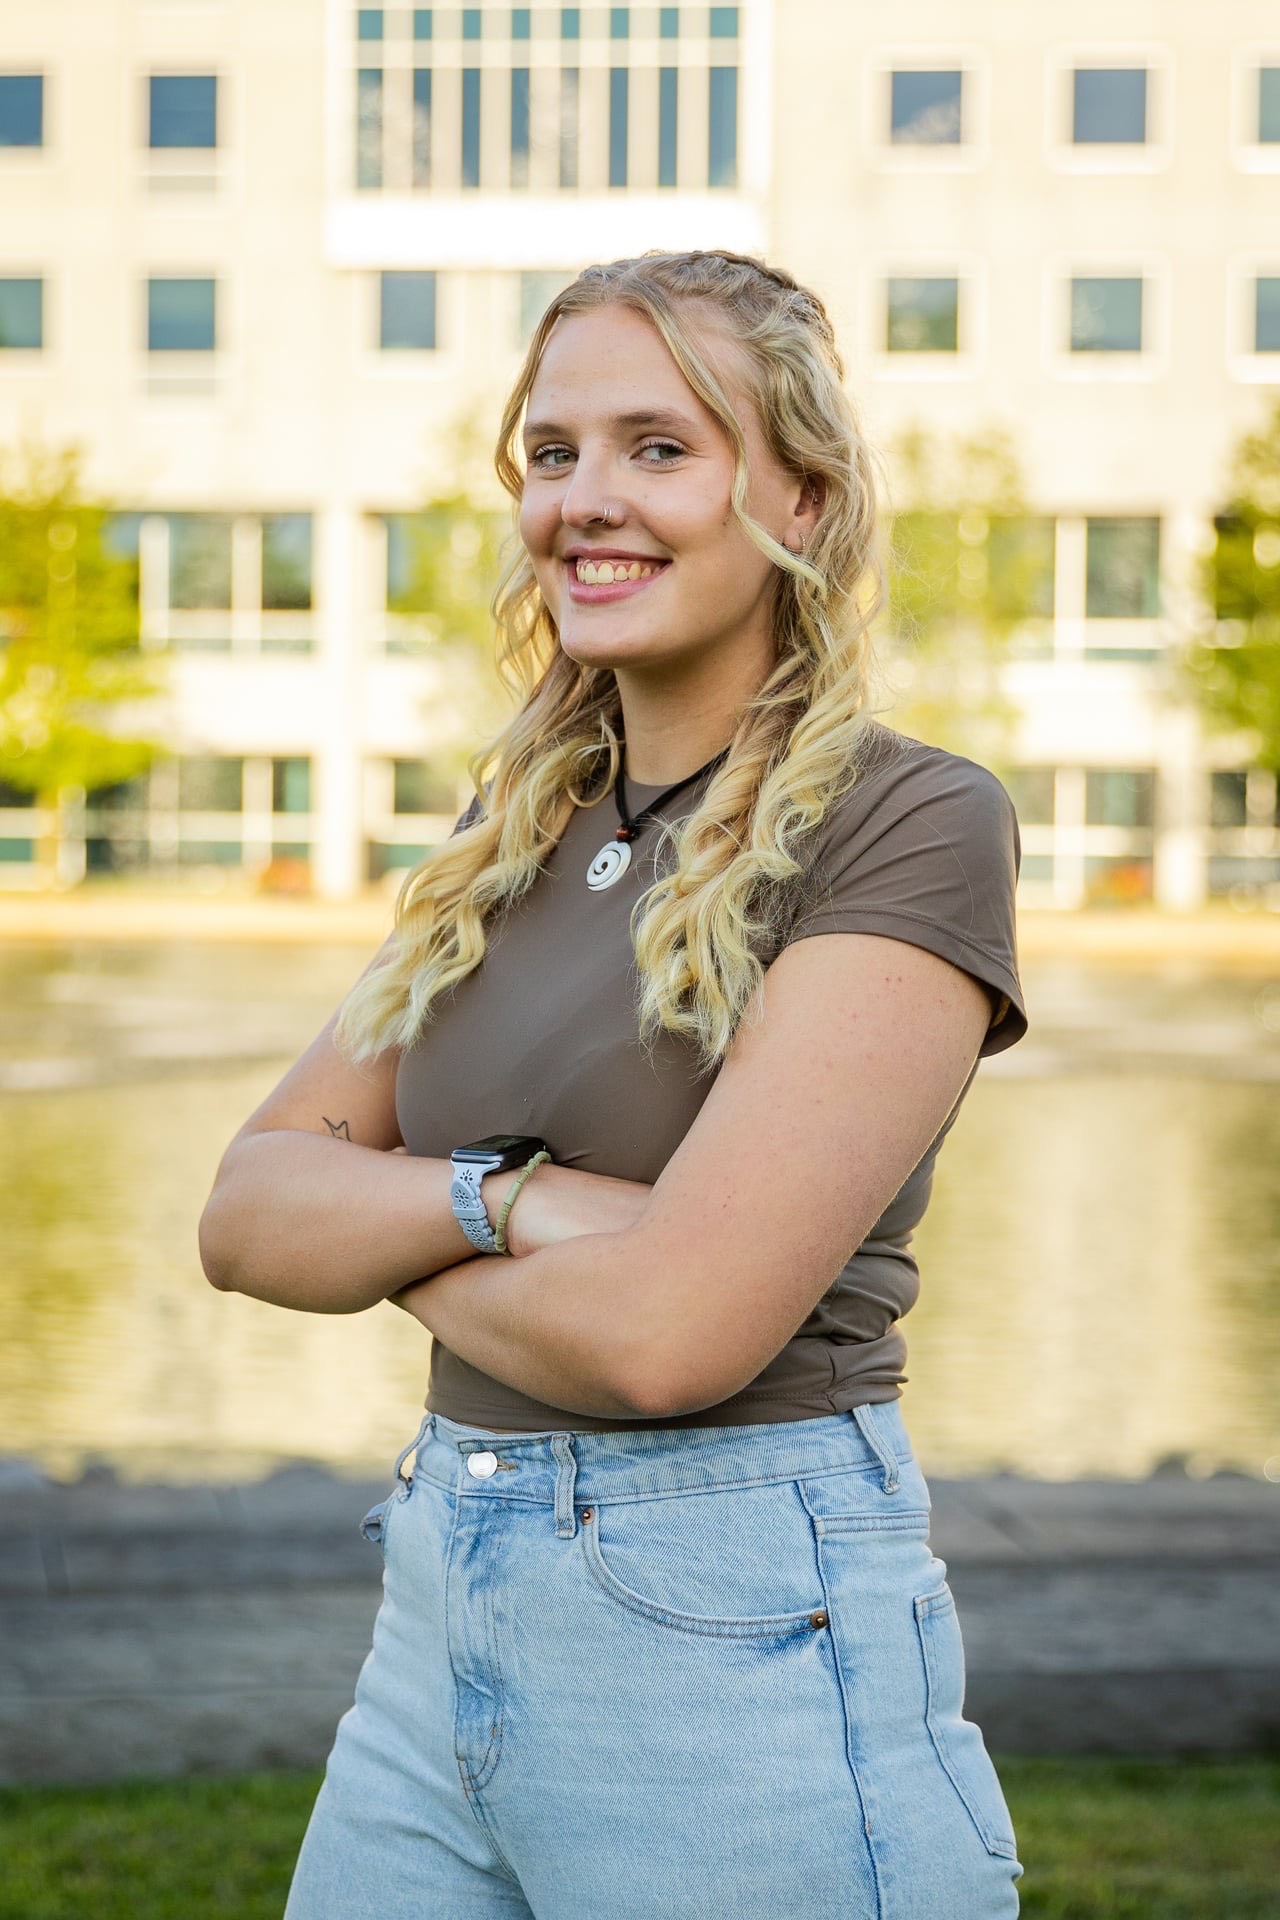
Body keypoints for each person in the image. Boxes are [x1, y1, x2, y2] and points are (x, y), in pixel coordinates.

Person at [199, 247, 1028, 1918]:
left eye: (661, 446)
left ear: (796, 487)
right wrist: (510, 1204)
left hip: (737, 1622)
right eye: (555, 451)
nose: (591, 500)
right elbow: (240, 1214)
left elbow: (669, 1339)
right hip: (441, 1607)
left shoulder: (912, 821)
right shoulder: (509, 835)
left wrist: (388, 1247)